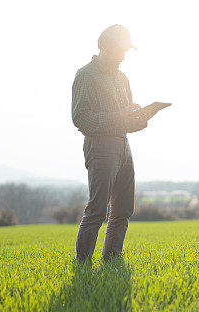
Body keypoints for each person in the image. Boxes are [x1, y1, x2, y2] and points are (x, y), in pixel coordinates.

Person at [71, 24, 147, 264]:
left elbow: (126, 120)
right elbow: (81, 118)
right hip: (100, 146)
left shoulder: (122, 78)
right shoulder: (86, 75)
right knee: (97, 210)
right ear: (105, 47)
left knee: (124, 210)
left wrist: (140, 120)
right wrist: (121, 115)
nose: (124, 57)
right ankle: (82, 265)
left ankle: (111, 261)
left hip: (123, 145)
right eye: (121, 51)